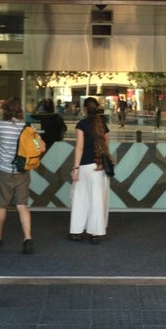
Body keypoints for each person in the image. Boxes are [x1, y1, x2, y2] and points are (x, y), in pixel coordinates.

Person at [0, 97, 40, 254]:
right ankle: (27, 239)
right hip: (22, 171)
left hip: (5, 171)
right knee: (22, 205)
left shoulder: (2, 125)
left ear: (6, 111)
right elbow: (40, 147)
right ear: (20, 110)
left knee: (2, 206)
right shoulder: (28, 127)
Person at [69, 96, 112, 244]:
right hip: (99, 168)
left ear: (85, 109)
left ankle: (76, 231)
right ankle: (95, 233)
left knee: (80, 200)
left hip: (84, 167)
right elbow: (106, 147)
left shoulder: (82, 124)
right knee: (97, 202)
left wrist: (75, 168)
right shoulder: (103, 125)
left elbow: (79, 148)